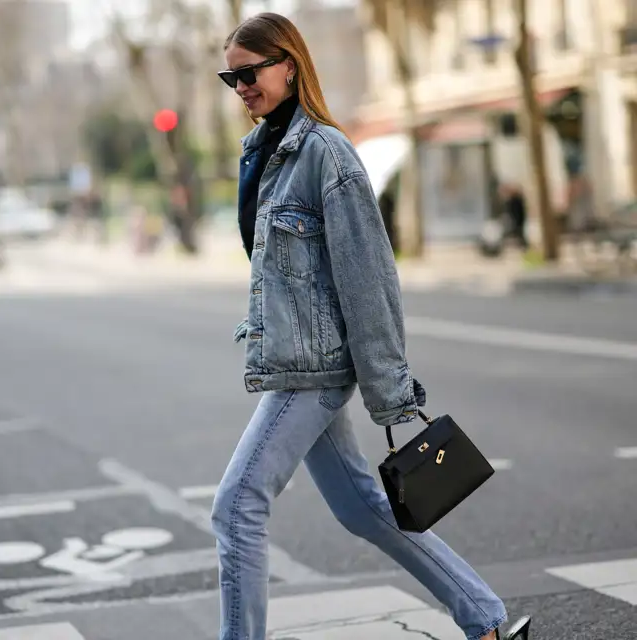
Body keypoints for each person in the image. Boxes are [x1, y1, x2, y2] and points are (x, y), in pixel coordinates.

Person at [211, 12, 531, 640]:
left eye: (249, 72)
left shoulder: (326, 153)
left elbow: (370, 281)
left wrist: (389, 391)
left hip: (317, 373)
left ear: (289, 65)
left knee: (237, 507)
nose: (241, 86)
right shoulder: (263, 153)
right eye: (231, 76)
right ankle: (486, 620)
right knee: (365, 509)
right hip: (296, 362)